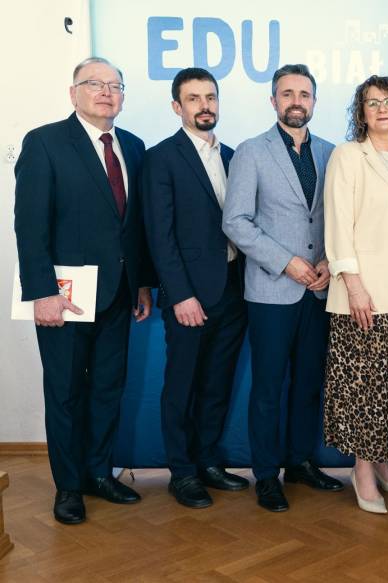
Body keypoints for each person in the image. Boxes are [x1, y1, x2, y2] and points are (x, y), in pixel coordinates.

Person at [14, 57, 155, 524]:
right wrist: (42, 292)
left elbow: (134, 227)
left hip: (119, 294)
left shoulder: (132, 146)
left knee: (108, 389)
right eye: (95, 83)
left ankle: (99, 472)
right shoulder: (45, 142)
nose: (106, 92)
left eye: (115, 85)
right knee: (66, 392)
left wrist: (142, 283)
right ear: (73, 93)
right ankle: (69, 486)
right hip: (65, 297)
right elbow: (30, 225)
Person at [223, 64, 342, 512]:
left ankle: (300, 462)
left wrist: (329, 261)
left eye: (304, 94)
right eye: (287, 93)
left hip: (320, 289)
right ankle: (266, 474)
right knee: (269, 387)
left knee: (308, 383)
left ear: (314, 101)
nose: (296, 101)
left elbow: (338, 218)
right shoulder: (251, 152)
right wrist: (285, 262)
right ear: (273, 101)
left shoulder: (332, 154)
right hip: (272, 290)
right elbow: (235, 221)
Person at [142, 67, 249, 509]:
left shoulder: (234, 157)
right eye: (193, 98)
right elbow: (160, 235)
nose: (204, 106)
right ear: (177, 106)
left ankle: (207, 462)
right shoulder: (161, 158)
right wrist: (180, 295)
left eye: (210, 97)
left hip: (234, 290)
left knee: (217, 383)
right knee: (182, 386)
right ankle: (182, 472)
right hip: (190, 296)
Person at [323, 75, 388, 514]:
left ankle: (382, 463)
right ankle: (361, 471)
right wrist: (353, 283)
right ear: (361, 113)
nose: (382, 109)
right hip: (362, 290)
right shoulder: (348, 156)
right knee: (364, 384)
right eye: (372, 102)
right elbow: (338, 222)